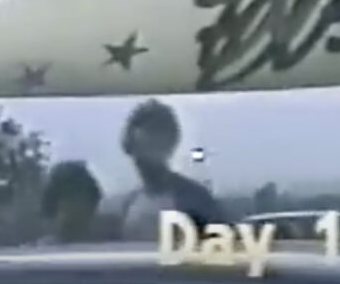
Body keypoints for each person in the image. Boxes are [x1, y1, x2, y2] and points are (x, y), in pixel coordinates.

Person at [116, 99, 226, 241]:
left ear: (170, 144)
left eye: (154, 145)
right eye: (138, 150)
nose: (144, 159)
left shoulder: (196, 200)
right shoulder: (129, 204)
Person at [38, 160, 111, 245]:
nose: (74, 209)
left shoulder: (111, 250)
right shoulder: (40, 253)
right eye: (67, 199)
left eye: (79, 199)